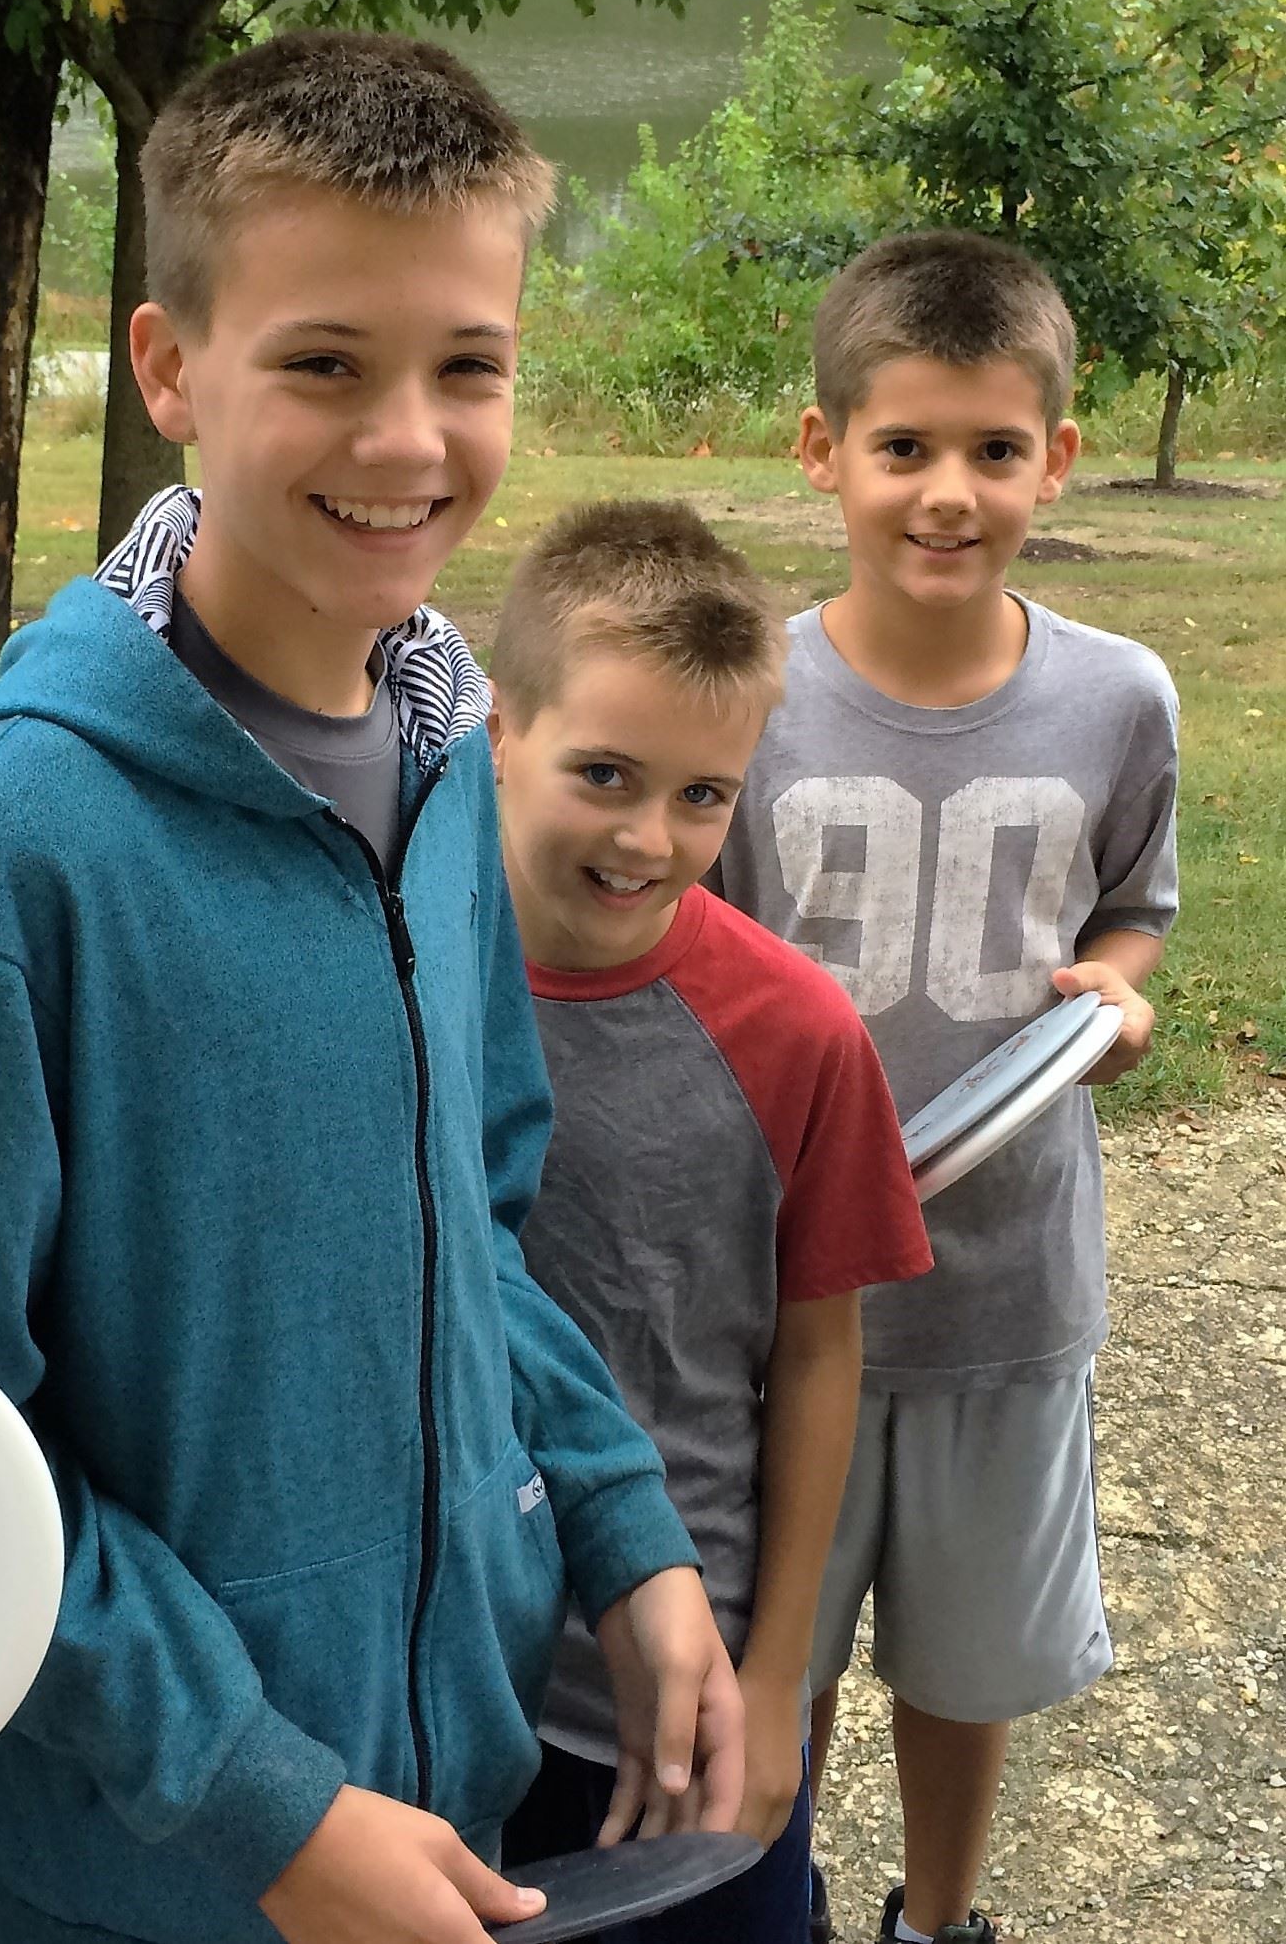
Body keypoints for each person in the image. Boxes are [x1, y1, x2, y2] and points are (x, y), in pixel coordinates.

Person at [0, 31, 746, 1944]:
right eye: (322, 363)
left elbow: (468, 1227)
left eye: (465, 367)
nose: (407, 442)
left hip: (442, 1784)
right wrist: (263, 1807)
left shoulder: (447, 759)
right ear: (169, 369)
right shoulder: (17, 857)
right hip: (146, 1867)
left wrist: (621, 1529)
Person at [710, 231, 1179, 1944]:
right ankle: (776, 1907)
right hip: (781, 1308)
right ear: (821, 448)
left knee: (961, 1663)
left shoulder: (1118, 698)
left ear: (1055, 456)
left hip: (1003, 1294)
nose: (945, 493)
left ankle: (939, 1921)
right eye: (901, 446)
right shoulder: (746, 698)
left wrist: (1110, 1001)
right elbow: (683, 963)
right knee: (786, 1654)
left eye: (992, 449)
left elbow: (1129, 913)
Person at [485, 502, 932, 1943]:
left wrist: (777, 1677)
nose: (646, 837)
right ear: (498, 724)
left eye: (702, 795)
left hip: (683, 1692)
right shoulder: (401, 972)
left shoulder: (796, 1033)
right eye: (602, 773)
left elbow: (815, 1359)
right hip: (438, 1685)